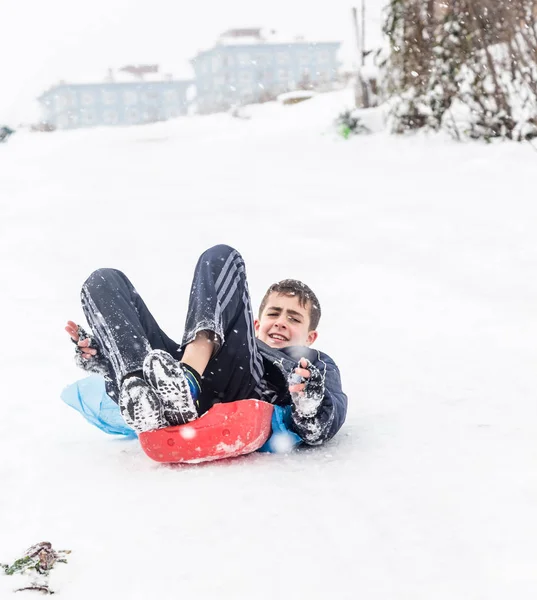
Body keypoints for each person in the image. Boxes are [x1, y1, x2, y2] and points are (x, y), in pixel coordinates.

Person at [66, 244, 347, 445]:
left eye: (294, 318)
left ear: (310, 337)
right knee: (102, 280)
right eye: (273, 313)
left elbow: (323, 423)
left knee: (223, 257)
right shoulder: (238, 336)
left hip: (241, 385)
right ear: (256, 324)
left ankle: (183, 386)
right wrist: (107, 359)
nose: (281, 322)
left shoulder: (316, 364)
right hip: (187, 377)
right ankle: (141, 392)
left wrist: (310, 403)